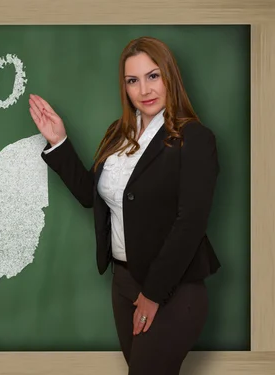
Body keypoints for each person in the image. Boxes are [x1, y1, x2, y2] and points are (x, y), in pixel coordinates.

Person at [28, 36, 221, 375]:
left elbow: (189, 223)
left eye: (153, 76)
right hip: (123, 283)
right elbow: (92, 196)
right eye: (133, 80)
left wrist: (153, 294)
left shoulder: (195, 138)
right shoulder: (118, 133)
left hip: (171, 288)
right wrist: (58, 141)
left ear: (169, 78)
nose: (144, 89)